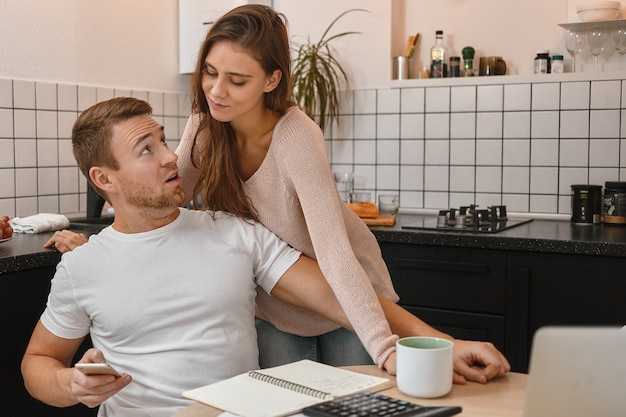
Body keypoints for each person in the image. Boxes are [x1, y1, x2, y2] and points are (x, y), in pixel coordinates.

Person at [175, 3, 509, 383]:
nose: (216, 90)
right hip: (276, 307)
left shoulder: (296, 135)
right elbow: (167, 200)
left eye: (237, 80)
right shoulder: (205, 128)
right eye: (210, 72)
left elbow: (334, 253)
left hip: (354, 302)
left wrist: (384, 348)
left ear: (271, 80)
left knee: (359, 406)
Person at [21, 97, 357, 417]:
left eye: (163, 140)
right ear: (104, 178)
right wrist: (70, 384)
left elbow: (337, 296)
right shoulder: (82, 265)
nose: (170, 156)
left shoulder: (231, 231)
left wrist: (406, 338)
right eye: (146, 150)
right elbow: (38, 361)